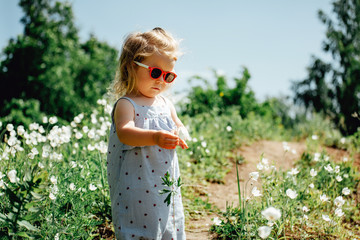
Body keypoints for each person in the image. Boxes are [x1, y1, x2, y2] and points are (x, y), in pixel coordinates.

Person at [106, 27, 189, 240]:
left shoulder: (165, 103)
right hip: (135, 182)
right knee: (138, 225)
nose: (161, 80)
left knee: (168, 219)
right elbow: (125, 133)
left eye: (168, 76)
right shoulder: (127, 104)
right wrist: (155, 137)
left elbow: (177, 124)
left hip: (164, 180)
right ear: (131, 67)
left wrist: (180, 133)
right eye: (155, 72)